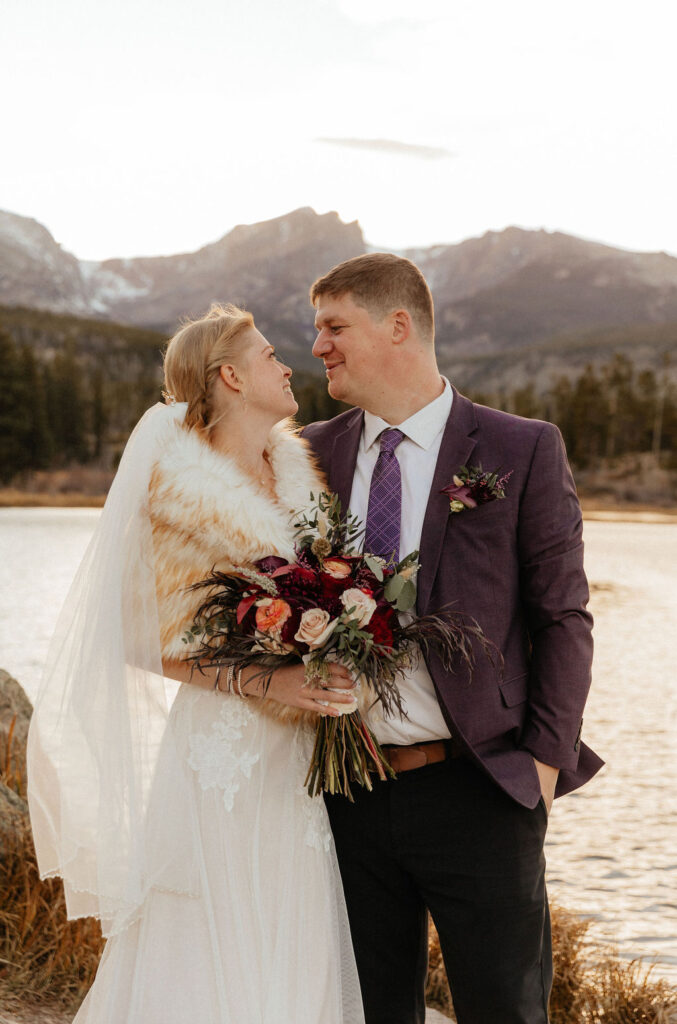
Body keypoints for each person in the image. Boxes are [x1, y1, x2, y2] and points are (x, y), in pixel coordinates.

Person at [27, 304, 365, 1024]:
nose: (287, 364)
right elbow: (139, 642)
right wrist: (267, 679)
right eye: (270, 353)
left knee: (292, 919)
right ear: (231, 376)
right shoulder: (177, 495)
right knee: (208, 932)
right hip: (223, 748)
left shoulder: (301, 479)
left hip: (299, 751)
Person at [302, 253, 604, 1024]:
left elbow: (562, 616)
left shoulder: (520, 447)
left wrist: (541, 764)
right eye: (315, 331)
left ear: (397, 325)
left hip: (480, 785)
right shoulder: (306, 453)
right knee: (365, 1010)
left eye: (334, 327)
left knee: (504, 1008)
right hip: (346, 790)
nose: (318, 347)